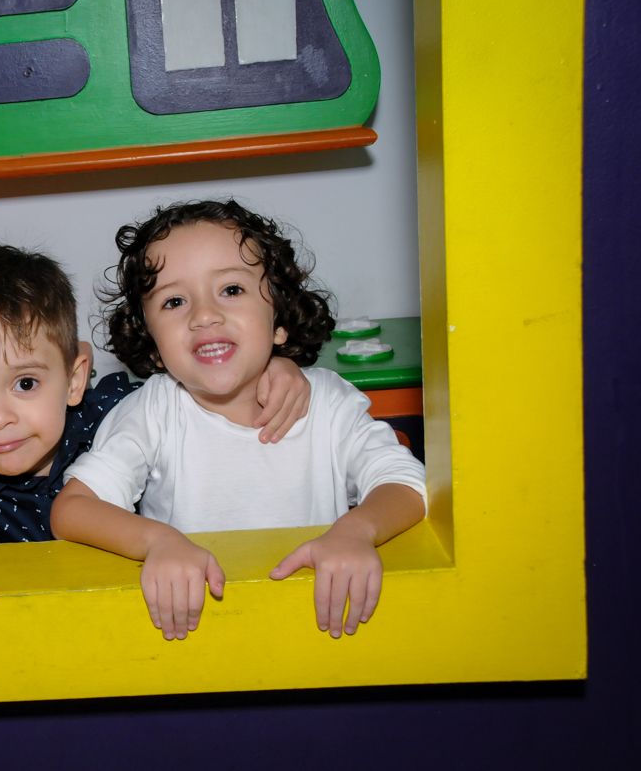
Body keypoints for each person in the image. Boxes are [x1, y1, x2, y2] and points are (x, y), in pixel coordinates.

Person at [50, 200, 427, 641]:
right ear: (153, 344)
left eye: (231, 289)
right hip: (196, 637)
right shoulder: (154, 411)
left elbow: (410, 483)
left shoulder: (327, 402)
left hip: (320, 631)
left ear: (279, 322)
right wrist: (157, 541)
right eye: (174, 301)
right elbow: (71, 511)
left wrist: (357, 531)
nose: (204, 314)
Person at [0, 244, 313, 544]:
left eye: (26, 384)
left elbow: (194, 385)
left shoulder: (112, 413)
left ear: (74, 381)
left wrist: (273, 367)